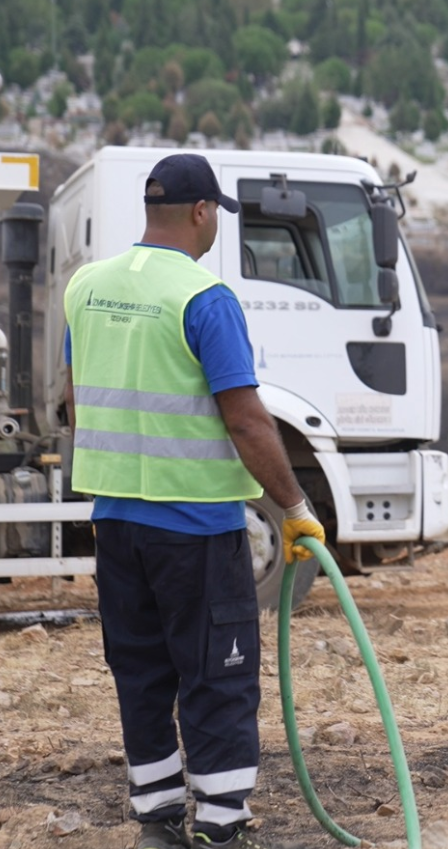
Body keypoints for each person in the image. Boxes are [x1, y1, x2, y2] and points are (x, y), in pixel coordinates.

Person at [63, 153, 326, 849]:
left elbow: (73, 396)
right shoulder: (204, 298)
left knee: (142, 671)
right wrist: (295, 505)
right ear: (203, 212)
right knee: (219, 675)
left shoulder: (86, 287)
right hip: (197, 527)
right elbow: (245, 418)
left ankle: (156, 821)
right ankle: (219, 826)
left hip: (116, 524)